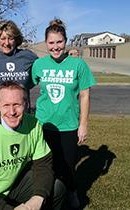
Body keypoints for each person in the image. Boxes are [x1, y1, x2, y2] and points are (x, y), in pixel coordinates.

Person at [0, 81, 66, 210]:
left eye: (17, 105)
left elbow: (43, 164)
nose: (12, 111)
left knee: (57, 188)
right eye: (6, 105)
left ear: (25, 104)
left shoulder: (34, 125)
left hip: (11, 187)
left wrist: (38, 197)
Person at [31, 19, 96, 209]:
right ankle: (47, 196)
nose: (55, 47)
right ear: (46, 44)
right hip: (44, 124)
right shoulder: (39, 65)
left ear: (65, 41)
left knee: (67, 166)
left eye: (59, 42)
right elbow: (23, 86)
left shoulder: (78, 65)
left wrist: (83, 124)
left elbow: (84, 95)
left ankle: (71, 192)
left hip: (68, 124)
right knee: (45, 165)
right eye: (51, 43)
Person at [0, 20, 37, 115]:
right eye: (3, 38)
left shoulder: (28, 57)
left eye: (10, 38)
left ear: (16, 39)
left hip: (20, 115)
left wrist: (66, 56)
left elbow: (45, 68)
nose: (7, 43)